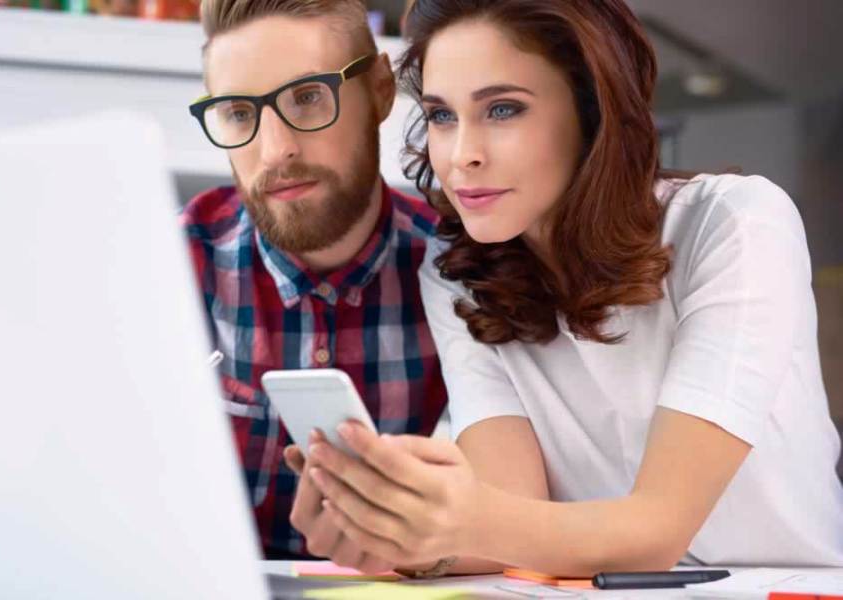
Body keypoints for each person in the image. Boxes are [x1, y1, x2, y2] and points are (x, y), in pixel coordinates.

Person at [290, 0, 843, 576]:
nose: (461, 156)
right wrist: (400, 538)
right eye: (441, 116)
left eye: (502, 109)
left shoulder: (736, 222)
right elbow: (511, 510)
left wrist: (456, 519)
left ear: (593, 111)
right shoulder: (457, 271)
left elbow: (656, 531)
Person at [182, 0, 446, 562]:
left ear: (379, 89)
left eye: (307, 98)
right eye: (236, 112)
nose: (276, 150)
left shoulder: (467, 275)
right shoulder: (170, 271)